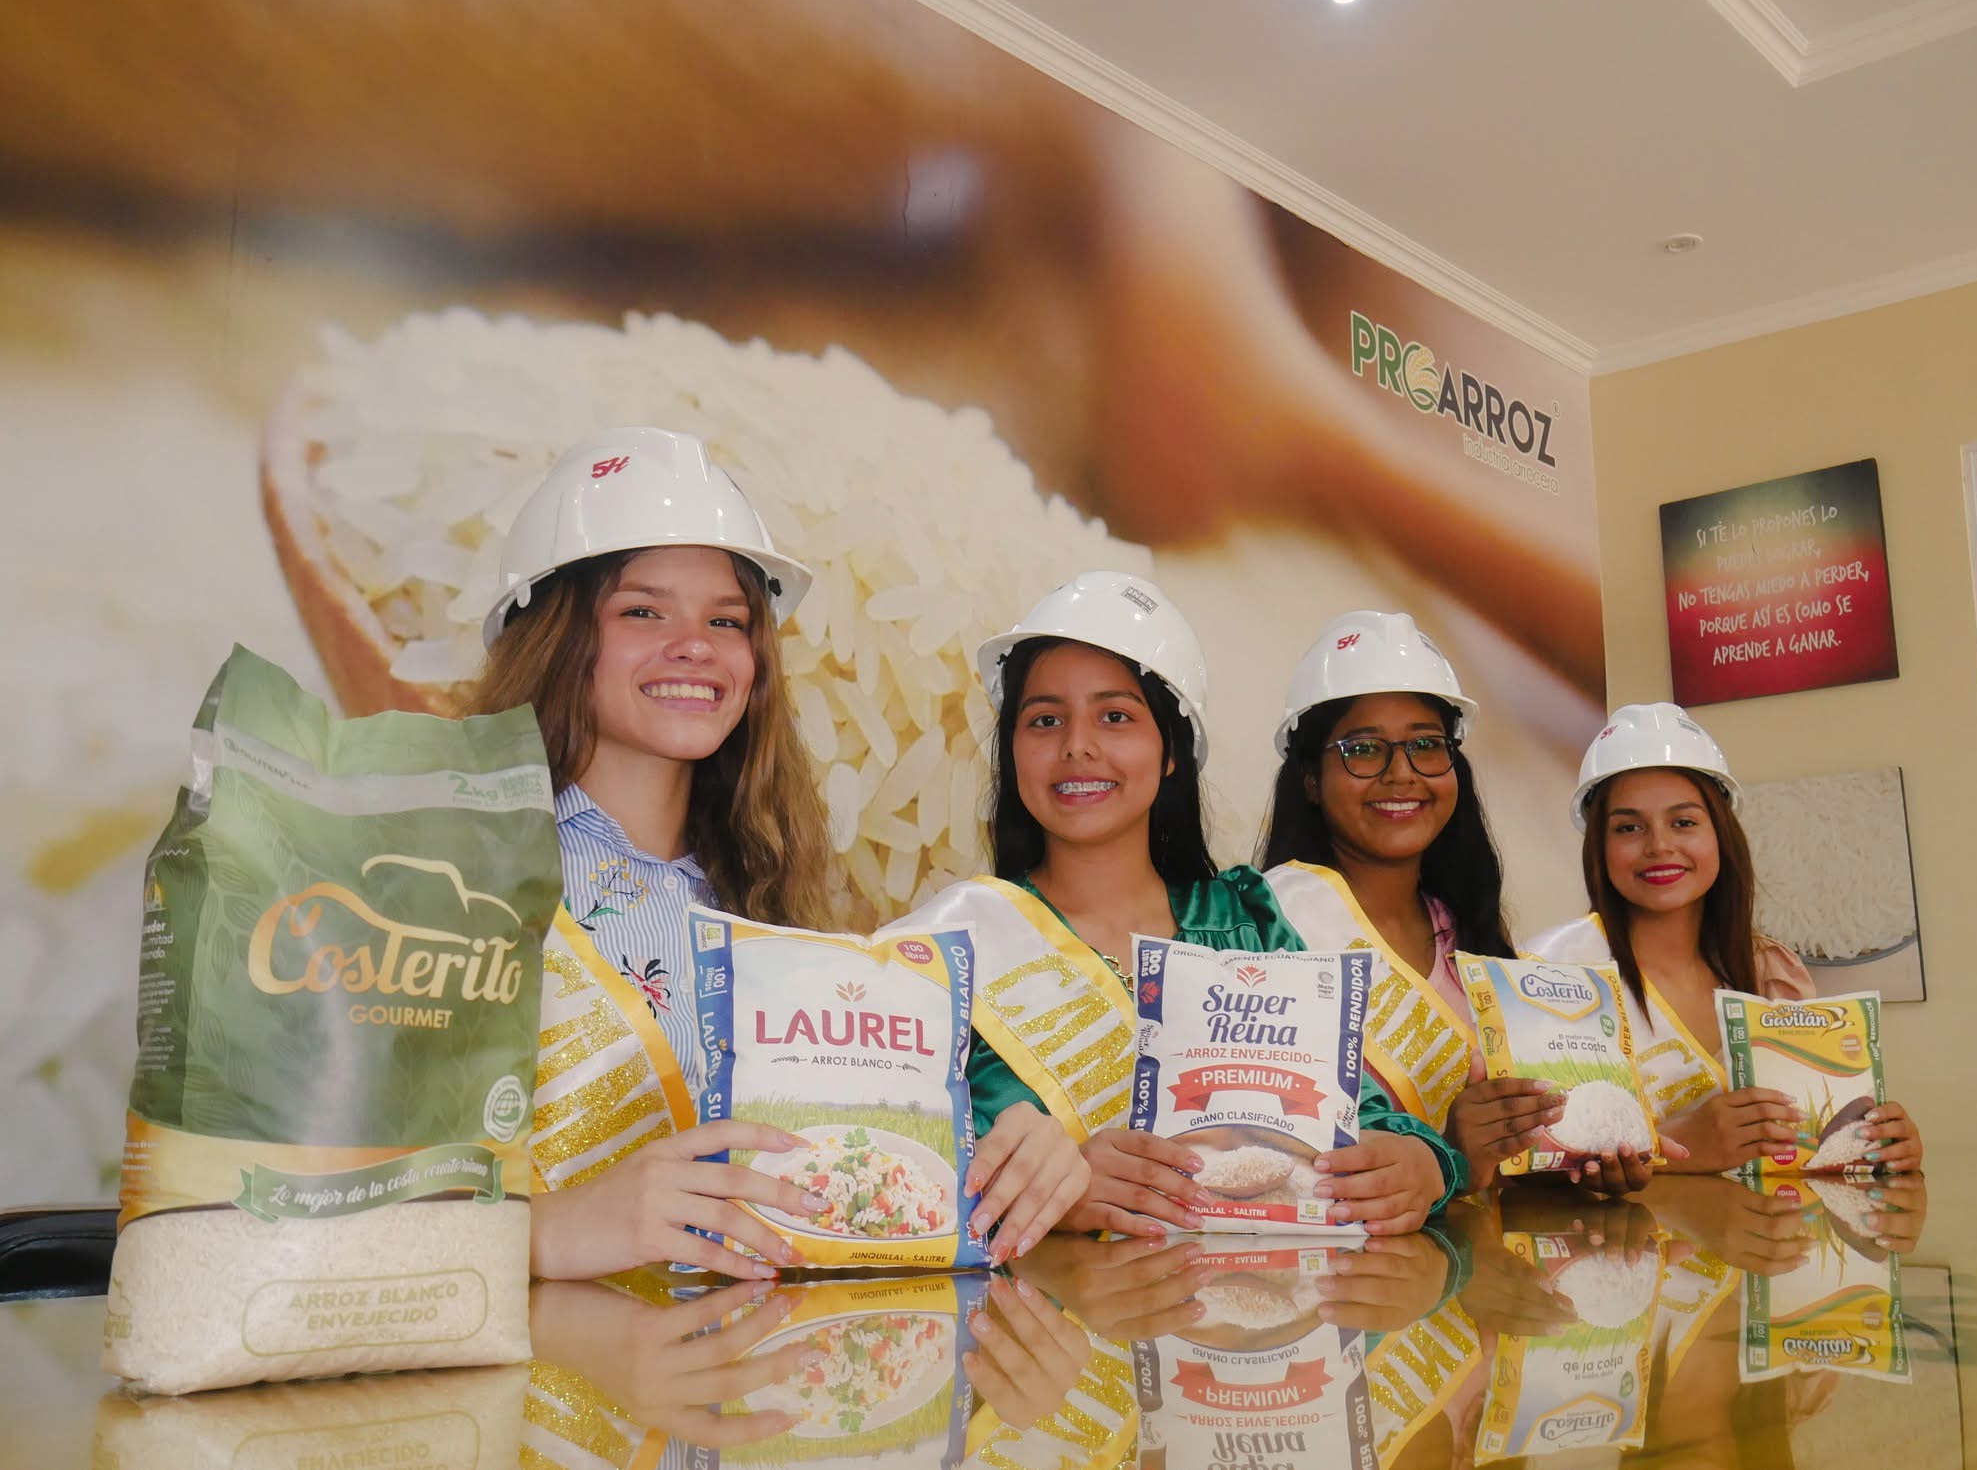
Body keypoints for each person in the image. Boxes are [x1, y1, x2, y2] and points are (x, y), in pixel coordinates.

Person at [473, 425, 1082, 1278]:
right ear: (553, 634)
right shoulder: (457, 877)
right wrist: (548, 1233)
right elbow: (340, 1214)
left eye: (727, 620)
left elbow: (842, 1177)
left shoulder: (767, 898)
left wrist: (1011, 1159)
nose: (695, 645)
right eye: (643, 610)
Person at [890, 573, 1463, 1240]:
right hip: (1042, 1304)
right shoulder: (954, 948)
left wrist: (1425, 1164)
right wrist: (1055, 1189)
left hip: (1258, 1302)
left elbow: (1359, 1115)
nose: (1076, 745)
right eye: (1044, 720)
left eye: (1115, 716)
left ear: (1170, 751)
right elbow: (886, 1165)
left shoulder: (1246, 924)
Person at [1257, 612, 1644, 1193]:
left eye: (1426, 745)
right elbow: (1258, 1153)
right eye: (1364, 749)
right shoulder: (1265, 924)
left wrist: (1577, 1167)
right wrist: (1451, 1155)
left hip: (1477, 1249)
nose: (1401, 774)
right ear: (1311, 778)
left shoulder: (1473, 943)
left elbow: (1511, 1169)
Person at [1526, 703, 1923, 1176]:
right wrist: (1679, 1145)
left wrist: (1876, 1147)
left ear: (1721, 834)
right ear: (1599, 846)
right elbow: (1530, 1166)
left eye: (1684, 822)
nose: (1659, 846)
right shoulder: (1552, 971)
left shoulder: (1770, 969)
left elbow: (1807, 1144)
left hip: (1766, 1222)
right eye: (1628, 827)